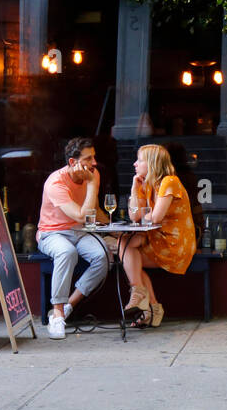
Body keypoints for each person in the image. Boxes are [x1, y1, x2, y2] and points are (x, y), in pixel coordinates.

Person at [36, 136, 108, 340]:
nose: (94, 163)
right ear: (72, 162)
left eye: (94, 157)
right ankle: (57, 314)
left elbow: (94, 210)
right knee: (67, 252)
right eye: (88, 159)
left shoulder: (93, 174)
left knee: (102, 255)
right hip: (52, 233)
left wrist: (115, 227)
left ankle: (69, 306)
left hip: (80, 231)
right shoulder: (56, 182)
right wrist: (92, 184)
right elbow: (80, 214)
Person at [121, 143, 196, 328]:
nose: (134, 164)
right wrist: (133, 187)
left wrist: (146, 216)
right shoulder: (145, 184)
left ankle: (146, 304)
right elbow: (134, 216)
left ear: (152, 163)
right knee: (127, 249)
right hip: (157, 238)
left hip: (174, 244)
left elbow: (154, 217)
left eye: (139, 160)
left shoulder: (169, 181)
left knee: (127, 253)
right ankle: (147, 302)